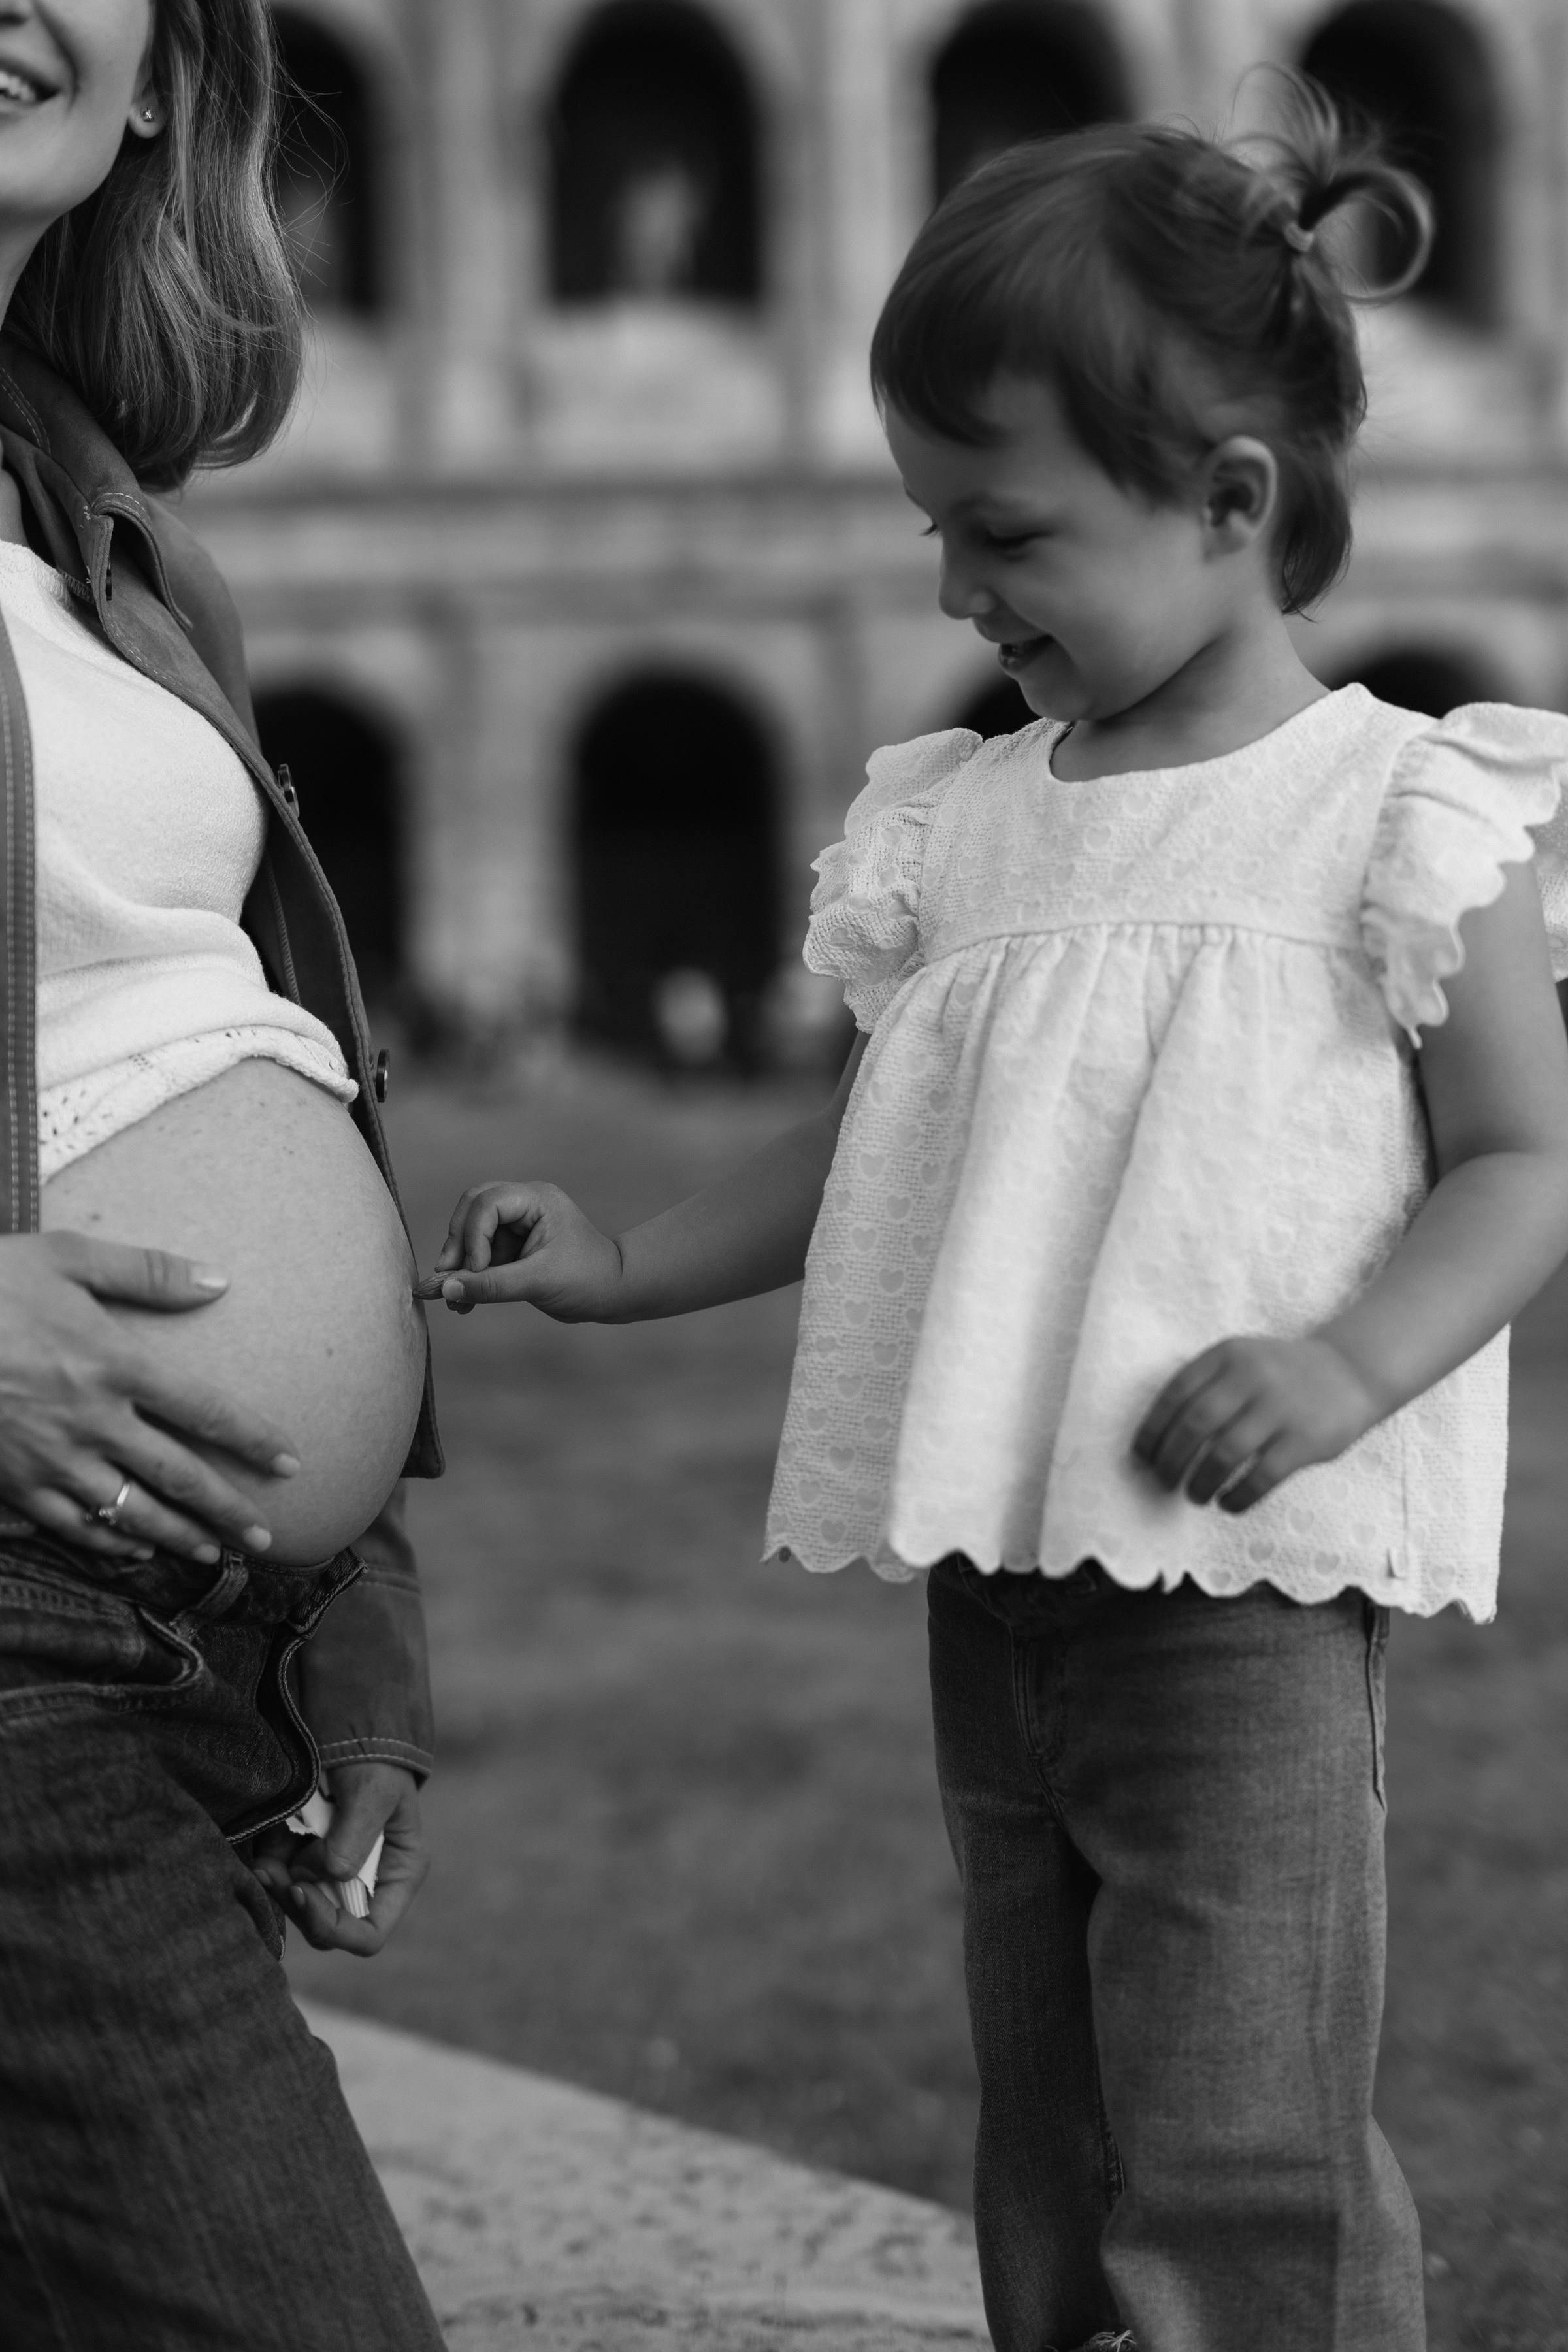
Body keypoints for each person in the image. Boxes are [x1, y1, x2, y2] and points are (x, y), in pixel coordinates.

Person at [424, 84, 1568, 2352]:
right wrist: (634, 1262)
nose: (954, 588)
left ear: (1229, 503)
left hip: (1243, 1579)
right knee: (1046, 2102)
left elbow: (1527, 1161)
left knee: (1244, 2123)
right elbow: (868, 1132)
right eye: (935, 525)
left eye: (1007, 533)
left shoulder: (1397, 811)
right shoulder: (959, 818)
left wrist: (1347, 1367)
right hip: (1002, 1574)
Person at [0, 5, 444, 2346]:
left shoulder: (103, 517)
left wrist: (348, 1620)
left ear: (167, 73)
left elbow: (252, 1022)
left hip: (188, 1655)